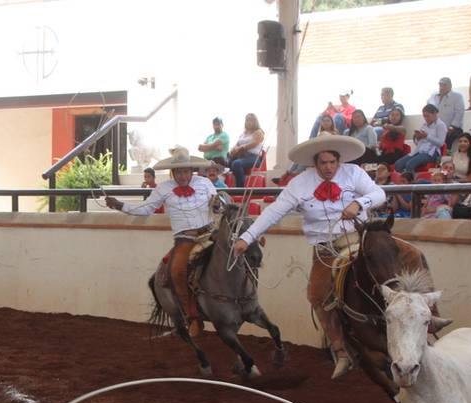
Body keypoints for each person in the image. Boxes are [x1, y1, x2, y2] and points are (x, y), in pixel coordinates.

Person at [230, 135, 385, 379]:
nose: (328, 167)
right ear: (315, 162)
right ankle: (341, 351)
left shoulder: (354, 173)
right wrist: (247, 237)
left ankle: (427, 318)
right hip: (326, 250)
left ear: (338, 159)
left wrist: (358, 203)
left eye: (332, 161)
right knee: (316, 295)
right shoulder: (299, 184)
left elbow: (378, 194)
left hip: (359, 239)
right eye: (323, 162)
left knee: (399, 262)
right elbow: (274, 212)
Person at [105, 146, 219, 337]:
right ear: (172, 172)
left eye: (185, 171)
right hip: (185, 238)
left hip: (210, 231)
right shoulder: (164, 188)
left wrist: (218, 203)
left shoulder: (205, 183)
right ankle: (192, 317)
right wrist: (119, 205)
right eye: (178, 172)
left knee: (236, 252)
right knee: (177, 271)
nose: (182, 176)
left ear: (192, 170)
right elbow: (145, 209)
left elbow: (219, 202)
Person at [395, 104, 447, 173]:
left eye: (428, 116)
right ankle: (404, 180)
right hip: (420, 150)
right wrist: (417, 138)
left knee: (410, 164)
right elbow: (418, 142)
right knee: (398, 164)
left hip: (431, 152)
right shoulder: (424, 125)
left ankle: (411, 182)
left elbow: (440, 143)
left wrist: (427, 136)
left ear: (435, 114)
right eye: (424, 116)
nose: (426, 118)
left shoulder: (440, 125)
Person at [227, 113, 265, 188]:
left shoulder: (259, 132)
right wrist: (232, 150)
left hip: (254, 158)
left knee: (236, 163)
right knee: (229, 161)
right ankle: (231, 185)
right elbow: (236, 144)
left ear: (255, 121)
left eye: (251, 120)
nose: (248, 122)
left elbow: (254, 144)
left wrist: (242, 148)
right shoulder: (243, 134)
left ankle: (240, 187)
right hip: (242, 156)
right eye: (247, 120)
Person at [428, 77, 466, 148]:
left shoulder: (457, 96)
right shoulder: (433, 96)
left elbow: (459, 113)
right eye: (440, 85)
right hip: (437, 127)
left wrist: (452, 127)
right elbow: (428, 109)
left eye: (444, 85)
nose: (442, 87)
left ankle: (446, 155)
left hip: (453, 128)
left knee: (447, 137)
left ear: (450, 86)